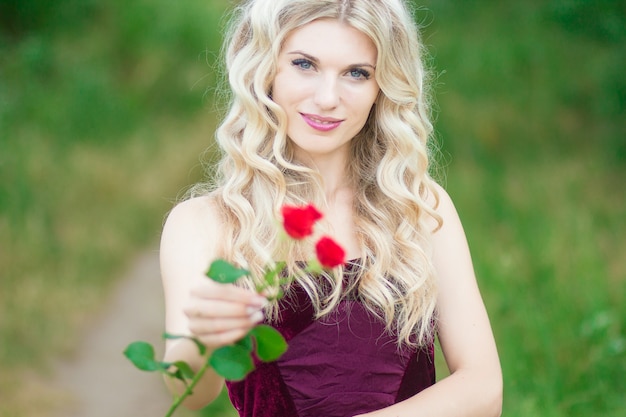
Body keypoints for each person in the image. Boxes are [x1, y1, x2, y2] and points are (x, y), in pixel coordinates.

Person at [160, 0, 502, 416]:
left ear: (383, 87)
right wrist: (206, 338)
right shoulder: (206, 223)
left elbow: (484, 388)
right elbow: (190, 394)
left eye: (357, 73)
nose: (327, 98)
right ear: (264, 69)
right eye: (304, 65)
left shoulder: (421, 209)